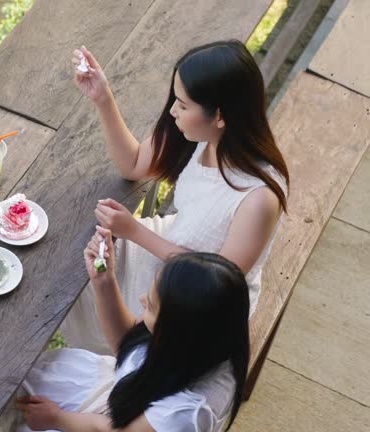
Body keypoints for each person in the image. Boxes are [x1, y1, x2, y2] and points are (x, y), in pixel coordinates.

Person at [62, 40, 289, 355]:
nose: (172, 111)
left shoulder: (258, 198)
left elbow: (215, 284)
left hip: (196, 303)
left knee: (84, 288)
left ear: (219, 116)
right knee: (71, 263)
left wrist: (134, 231)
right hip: (169, 249)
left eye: (183, 105)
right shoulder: (199, 133)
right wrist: (102, 98)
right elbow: (134, 164)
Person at [0, 228, 250, 432]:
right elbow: (128, 348)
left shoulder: (183, 414)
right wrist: (104, 280)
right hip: (124, 399)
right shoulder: (208, 338)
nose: (141, 302)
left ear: (177, 333)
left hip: (111, 421)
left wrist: (58, 419)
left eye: (150, 306)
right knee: (15, 378)